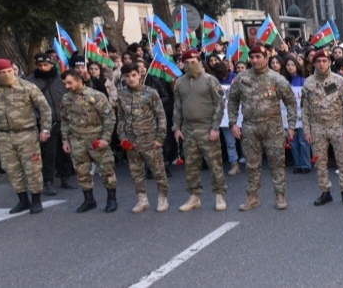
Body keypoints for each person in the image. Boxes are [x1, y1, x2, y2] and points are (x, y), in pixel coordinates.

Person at [0, 59, 52, 214]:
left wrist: (45, 129)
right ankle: (23, 200)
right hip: (3, 135)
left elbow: (44, 108)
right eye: (2, 73)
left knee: (33, 168)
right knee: (12, 169)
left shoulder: (27, 86)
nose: (6, 75)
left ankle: (36, 200)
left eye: (9, 71)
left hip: (27, 134)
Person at [228, 45, 298, 211]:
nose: (254, 60)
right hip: (250, 127)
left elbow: (291, 103)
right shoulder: (241, 79)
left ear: (266, 58)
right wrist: (232, 122)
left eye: (258, 57)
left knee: (277, 163)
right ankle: (252, 197)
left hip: (272, 127)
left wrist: (291, 126)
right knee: (252, 164)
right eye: (252, 57)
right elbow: (232, 101)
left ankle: (280, 196)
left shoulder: (277, 79)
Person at [171, 53, 228, 212]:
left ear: (199, 62)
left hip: (207, 128)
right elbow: (177, 107)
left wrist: (215, 127)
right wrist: (176, 128)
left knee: (214, 164)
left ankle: (219, 195)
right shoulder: (180, 82)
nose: (190, 65)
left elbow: (219, 104)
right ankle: (194, 197)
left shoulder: (210, 80)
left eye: (193, 62)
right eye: (187, 62)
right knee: (191, 165)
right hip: (188, 130)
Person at [301, 50, 343, 207]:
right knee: (319, 161)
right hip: (317, 127)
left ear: (330, 62)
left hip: (337, 125)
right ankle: (325, 192)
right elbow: (304, 108)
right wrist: (307, 130)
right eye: (318, 61)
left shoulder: (339, 81)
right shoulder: (308, 83)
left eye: (324, 61)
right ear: (313, 63)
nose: (321, 64)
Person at [115, 63, 171, 214]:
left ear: (139, 75)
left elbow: (161, 116)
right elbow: (120, 117)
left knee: (158, 170)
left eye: (134, 75)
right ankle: (142, 199)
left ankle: (163, 197)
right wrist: (122, 137)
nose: (131, 79)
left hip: (150, 139)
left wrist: (160, 137)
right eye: (127, 76)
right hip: (131, 141)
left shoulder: (151, 93)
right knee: (136, 172)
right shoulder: (121, 94)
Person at [59, 70, 118, 213]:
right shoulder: (66, 98)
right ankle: (89, 200)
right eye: (64, 84)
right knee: (81, 171)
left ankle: (111, 198)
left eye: (69, 83)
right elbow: (65, 120)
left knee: (106, 169)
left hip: (96, 138)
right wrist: (65, 140)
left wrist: (105, 139)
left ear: (79, 81)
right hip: (77, 140)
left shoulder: (96, 96)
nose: (66, 86)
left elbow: (109, 118)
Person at [25, 53, 75, 195]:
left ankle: (65, 178)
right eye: (40, 65)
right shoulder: (30, 82)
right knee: (48, 154)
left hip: (64, 120)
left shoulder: (61, 79)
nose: (43, 68)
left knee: (66, 152)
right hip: (46, 123)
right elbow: (29, 104)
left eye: (46, 65)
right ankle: (48, 182)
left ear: (52, 64)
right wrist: (38, 119)